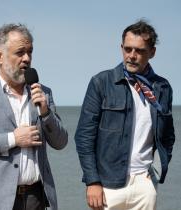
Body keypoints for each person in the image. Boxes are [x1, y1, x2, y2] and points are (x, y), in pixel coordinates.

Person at [0, 23, 68, 210]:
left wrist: (46, 113)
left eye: (30, 52)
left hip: (36, 198)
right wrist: (12, 139)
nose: (27, 58)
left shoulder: (42, 93)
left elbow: (61, 142)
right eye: (20, 52)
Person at [74, 20, 175, 210]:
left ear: (152, 52)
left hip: (145, 184)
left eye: (139, 51)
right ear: (121, 48)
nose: (132, 56)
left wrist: (157, 171)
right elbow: (84, 137)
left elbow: (167, 136)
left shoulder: (162, 88)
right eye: (127, 49)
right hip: (106, 186)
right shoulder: (101, 82)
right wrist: (92, 181)